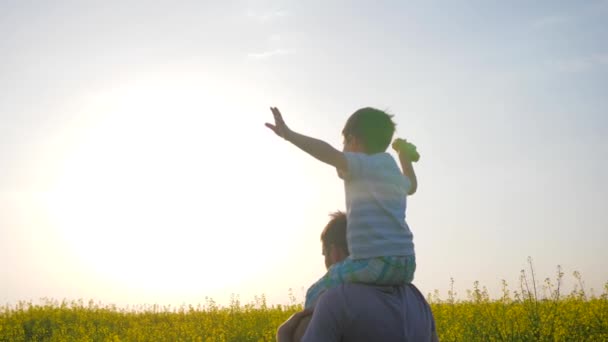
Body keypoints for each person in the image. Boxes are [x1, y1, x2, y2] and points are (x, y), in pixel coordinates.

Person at [266, 106, 420, 309]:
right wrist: (404, 156)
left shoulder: (364, 164)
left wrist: (289, 135)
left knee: (315, 293)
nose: (343, 150)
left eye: (344, 143)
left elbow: (325, 152)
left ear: (353, 139)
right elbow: (412, 186)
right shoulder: (391, 170)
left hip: (374, 262)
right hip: (406, 263)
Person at [277, 211, 438, 342]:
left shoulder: (334, 301)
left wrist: (283, 336)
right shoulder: (416, 298)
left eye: (324, 254)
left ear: (334, 252)